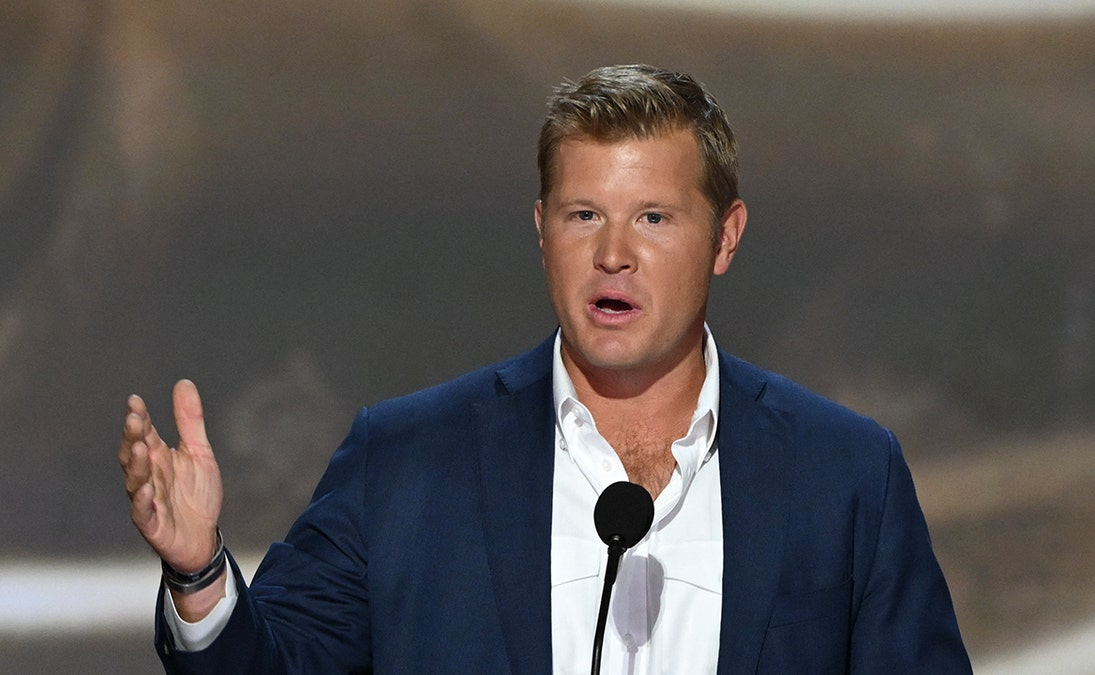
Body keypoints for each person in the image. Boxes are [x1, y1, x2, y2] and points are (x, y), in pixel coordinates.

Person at [119, 64, 971, 673]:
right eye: (583, 214)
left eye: (653, 218)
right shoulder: (407, 458)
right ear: (540, 228)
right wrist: (198, 573)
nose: (613, 254)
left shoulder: (846, 472)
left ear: (726, 237)